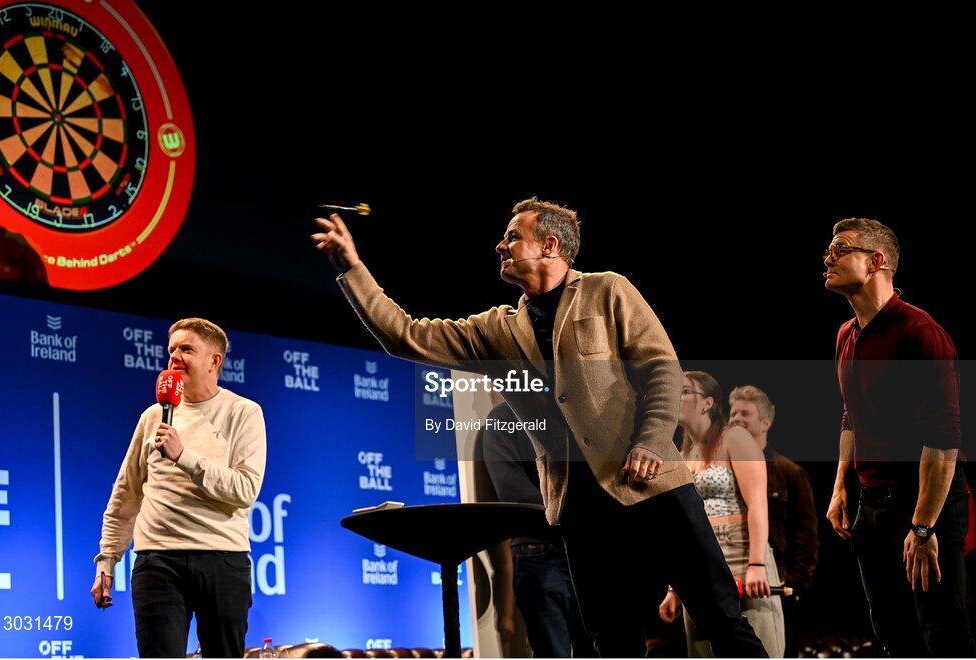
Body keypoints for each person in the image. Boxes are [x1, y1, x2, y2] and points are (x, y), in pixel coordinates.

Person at [312, 198, 766, 657]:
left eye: (513, 237)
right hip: (584, 511)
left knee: (722, 621)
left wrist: (651, 440)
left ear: (549, 245)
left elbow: (662, 369)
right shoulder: (495, 330)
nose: (500, 245)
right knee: (613, 642)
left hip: (654, 489)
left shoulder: (608, 290)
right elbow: (405, 334)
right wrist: (352, 268)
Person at [822, 218, 974, 656]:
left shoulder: (919, 333)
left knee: (942, 633)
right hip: (872, 504)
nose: (828, 257)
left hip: (923, 501)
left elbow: (943, 438)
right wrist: (840, 487)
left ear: (876, 261)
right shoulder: (846, 334)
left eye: (840, 247)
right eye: (828, 250)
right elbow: (851, 416)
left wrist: (923, 527)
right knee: (892, 630)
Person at [91, 318, 267, 658]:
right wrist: (107, 559)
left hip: (223, 560)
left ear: (214, 361)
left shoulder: (243, 412)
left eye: (186, 349)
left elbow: (245, 489)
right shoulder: (153, 416)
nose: (174, 357)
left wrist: (184, 456)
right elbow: (127, 493)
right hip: (157, 562)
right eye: (171, 349)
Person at [659, 372, 784, 658]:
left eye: (684, 391)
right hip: (699, 557)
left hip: (740, 552)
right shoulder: (682, 454)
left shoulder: (734, 437)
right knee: (705, 650)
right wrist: (673, 588)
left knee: (756, 645)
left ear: (708, 403)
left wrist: (756, 563)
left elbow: (757, 503)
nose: (674, 397)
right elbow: (679, 524)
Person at [480, 401, 594, 658]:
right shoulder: (503, 418)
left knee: (598, 648)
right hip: (539, 550)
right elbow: (511, 490)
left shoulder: (571, 413)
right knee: (552, 651)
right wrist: (573, 512)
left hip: (583, 548)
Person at [729, 385, 819, 657]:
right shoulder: (722, 470)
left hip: (775, 587)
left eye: (745, 413)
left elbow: (806, 535)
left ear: (765, 423)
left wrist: (794, 586)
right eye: (733, 413)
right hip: (730, 582)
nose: (736, 419)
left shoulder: (790, 473)